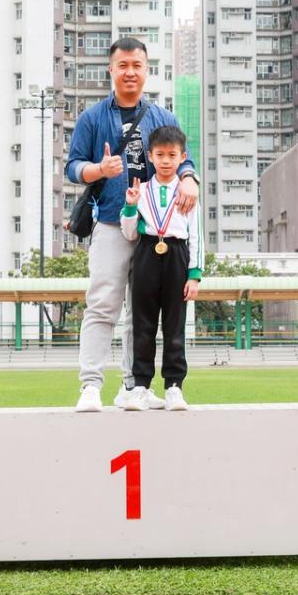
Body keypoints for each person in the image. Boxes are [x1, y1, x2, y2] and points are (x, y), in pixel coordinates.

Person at [65, 38, 199, 413]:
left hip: (154, 232)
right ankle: (90, 385)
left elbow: (183, 159)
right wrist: (99, 169)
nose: (130, 72)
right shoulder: (93, 118)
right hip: (111, 222)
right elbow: (73, 167)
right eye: (122, 65)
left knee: (140, 314)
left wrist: (190, 178)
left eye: (137, 65)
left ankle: (132, 386)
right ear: (111, 69)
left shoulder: (163, 118)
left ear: (146, 70)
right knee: (102, 305)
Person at [118, 126, 201, 411]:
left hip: (177, 254)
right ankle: (140, 386)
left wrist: (194, 275)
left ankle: (174, 387)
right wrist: (130, 207)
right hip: (147, 253)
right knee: (143, 325)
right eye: (160, 155)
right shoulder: (140, 190)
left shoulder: (188, 193)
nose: (166, 161)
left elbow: (196, 235)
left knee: (175, 326)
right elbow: (129, 233)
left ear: (182, 157)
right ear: (150, 156)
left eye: (172, 155)